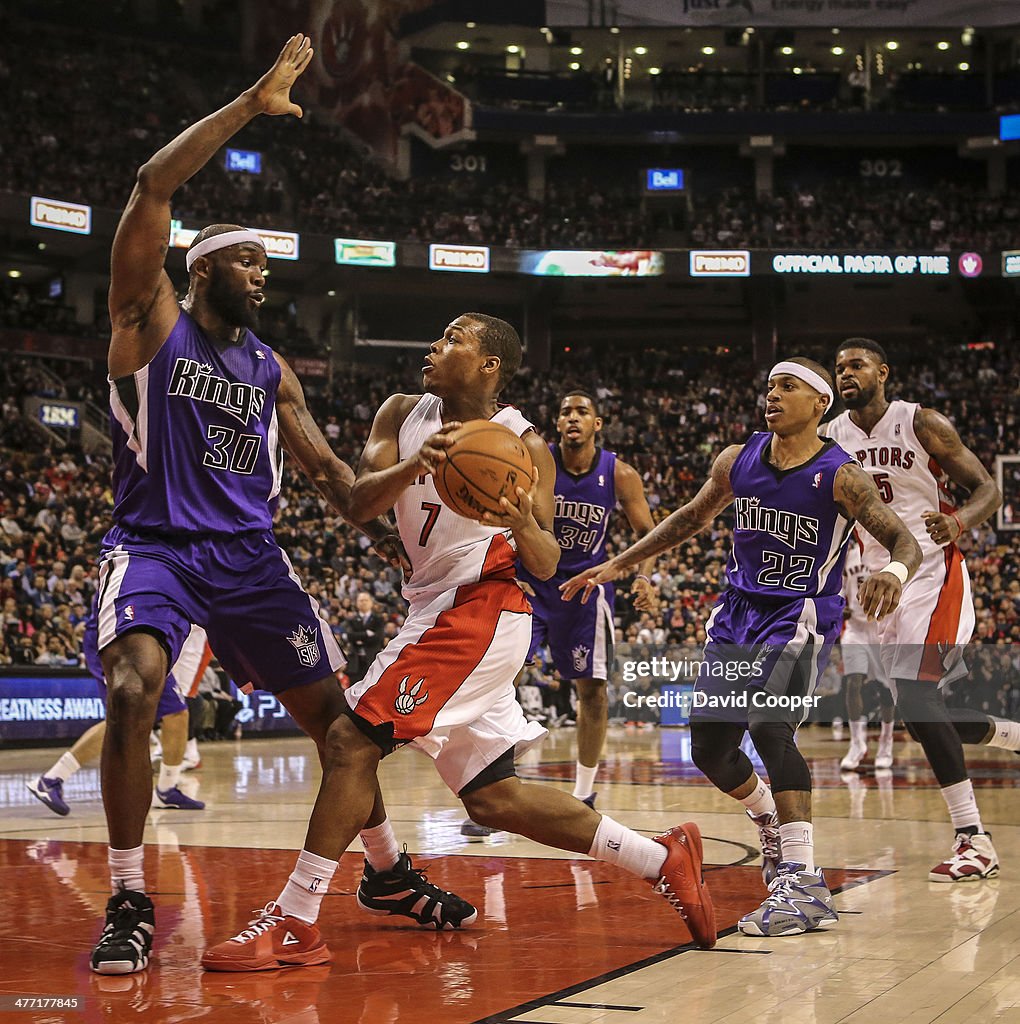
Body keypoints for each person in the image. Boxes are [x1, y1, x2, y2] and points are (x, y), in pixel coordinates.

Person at [90, 35, 470, 976]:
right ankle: (131, 893)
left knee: (342, 728)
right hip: (156, 548)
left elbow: (346, 496)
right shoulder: (148, 320)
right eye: (250, 263)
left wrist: (430, 460)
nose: (264, 277)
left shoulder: (272, 373)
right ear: (203, 269)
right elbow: (149, 188)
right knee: (135, 690)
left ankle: (384, 869)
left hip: (253, 562)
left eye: (268, 266)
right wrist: (252, 105)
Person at [202, 313, 717, 971]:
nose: (433, 346)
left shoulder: (523, 442)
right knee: (491, 797)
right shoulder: (399, 414)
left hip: (481, 610)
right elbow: (358, 503)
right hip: (432, 609)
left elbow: (544, 556)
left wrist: (516, 521)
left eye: (452, 340)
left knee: (349, 742)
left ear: (489, 365)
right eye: (436, 334)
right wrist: (421, 462)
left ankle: (296, 920)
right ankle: (661, 857)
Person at [564, 357, 923, 936]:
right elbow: (690, 518)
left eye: (788, 387)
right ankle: (769, 823)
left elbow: (903, 538)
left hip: (799, 615)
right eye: (770, 386)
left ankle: (804, 885)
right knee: (708, 746)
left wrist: (897, 574)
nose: (772, 395)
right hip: (736, 614)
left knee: (769, 726)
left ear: (819, 405)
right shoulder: (738, 459)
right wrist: (619, 564)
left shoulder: (841, 474)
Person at [828, 338, 1020, 881]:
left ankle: (974, 840)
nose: (846, 373)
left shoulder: (920, 423)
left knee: (915, 697)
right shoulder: (831, 439)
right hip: (879, 585)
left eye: (857, 364)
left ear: (882, 372)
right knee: (921, 717)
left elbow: (988, 489)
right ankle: (1012, 735)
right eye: (839, 367)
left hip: (933, 573)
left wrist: (958, 521)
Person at [461, 389, 657, 837]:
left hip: (585, 592)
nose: (572, 418)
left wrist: (643, 578)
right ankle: (496, 796)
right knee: (495, 685)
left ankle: (584, 792)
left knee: (593, 690)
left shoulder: (619, 474)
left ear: (597, 424)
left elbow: (648, 532)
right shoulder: (533, 459)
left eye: (581, 412)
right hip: (531, 584)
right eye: (565, 411)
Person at [27, 620, 209, 816]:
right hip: (116, 636)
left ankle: (167, 789)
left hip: (141, 639)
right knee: (124, 719)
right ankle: (51, 780)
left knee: (176, 712)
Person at [838, 532, 896, 771]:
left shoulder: (889, 556)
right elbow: (840, 591)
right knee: (853, 682)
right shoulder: (847, 557)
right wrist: (841, 607)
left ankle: (886, 742)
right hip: (855, 630)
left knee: (886, 691)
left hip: (882, 627)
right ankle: (856, 742)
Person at [345, 591, 386, 684]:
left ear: (371, 602)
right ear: (356, 603)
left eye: (366, 600)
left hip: (372, 659)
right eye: (361, 600)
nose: (363, 602)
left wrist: (359, 638)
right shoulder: (351, 620)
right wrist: (366, 634)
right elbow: (350, 636)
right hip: (355, 662)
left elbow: (378, 638)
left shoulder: (378, 619)